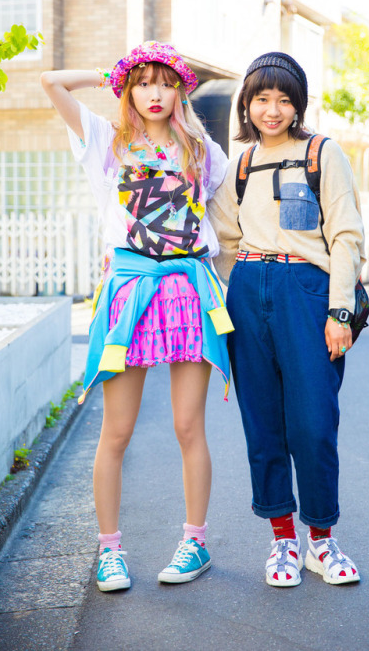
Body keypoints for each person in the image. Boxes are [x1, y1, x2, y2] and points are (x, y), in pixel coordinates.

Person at [41, 41, 232, 592]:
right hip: (129, 291)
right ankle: (110, 552)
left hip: (189, 289)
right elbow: (51, 82)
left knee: (188, 425)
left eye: (165, 82)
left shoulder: (203, 151)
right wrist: (112, 72)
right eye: (143, 82)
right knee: (116, 430)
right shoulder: (107, 139)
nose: (154, 93)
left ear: (181, 90)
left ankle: (194, 542)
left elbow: (221, 226)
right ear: (129, 89)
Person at [208, 51, 365, 588]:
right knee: (263, 423)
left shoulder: (323, 153)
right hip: (250, 291)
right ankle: (283, 539)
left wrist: (339, 309)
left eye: (283, 99)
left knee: (313, 422)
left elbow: (346, 235)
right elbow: (224, 239)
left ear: (297, 103)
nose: (271, 110)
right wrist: (241, 289)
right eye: (261, 99)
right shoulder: (241, 164)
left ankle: (321, 539)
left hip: (308, 292)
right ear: (246, 105)